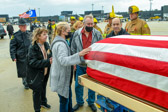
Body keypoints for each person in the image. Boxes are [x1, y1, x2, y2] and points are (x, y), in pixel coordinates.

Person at [50, 22, 91, 112]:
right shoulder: (60, 44)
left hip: (63, 77)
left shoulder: (60, 41)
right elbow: (63, 61)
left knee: (67, 97)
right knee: (64, 101)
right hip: (61, 78)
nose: (70, 32)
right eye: (69, 30)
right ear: (63, 32)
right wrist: (79, 54)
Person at [71, 14, 103, 112]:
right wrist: (75, 62)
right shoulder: (76, 34)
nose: (90, 26)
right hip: (80, 64)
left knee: (91, 85)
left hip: (92, 65)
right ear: (84, 23)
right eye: (88, 24)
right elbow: (73, 48)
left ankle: (91, 102)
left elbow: (101, 48)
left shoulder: (97, 33)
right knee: (78, 85)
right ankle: (80, 102)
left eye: (91, 24)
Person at [27, 28, 52, 112]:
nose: (46, 36)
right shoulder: (33, 47)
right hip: (37, 74)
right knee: (37, 91)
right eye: (44, 34)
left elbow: (49, 54)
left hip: (45, 72)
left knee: (43, 88)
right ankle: (37, 109)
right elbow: (32, 62)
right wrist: (48, 61)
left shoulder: (46, 44)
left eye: (46, 34)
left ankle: (43, 102)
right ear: (38, 36)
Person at [10, 18, 31, 89]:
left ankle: (30, 81)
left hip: (30, 55)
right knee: (23, 70)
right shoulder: (15, 36)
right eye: (22, 25)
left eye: (25, 25)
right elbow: (12, 47)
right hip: (21, 57)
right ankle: (25, 83)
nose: (24, 27)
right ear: (19, 26)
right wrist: (13, 56)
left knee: (31, 69)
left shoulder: (30, 34)